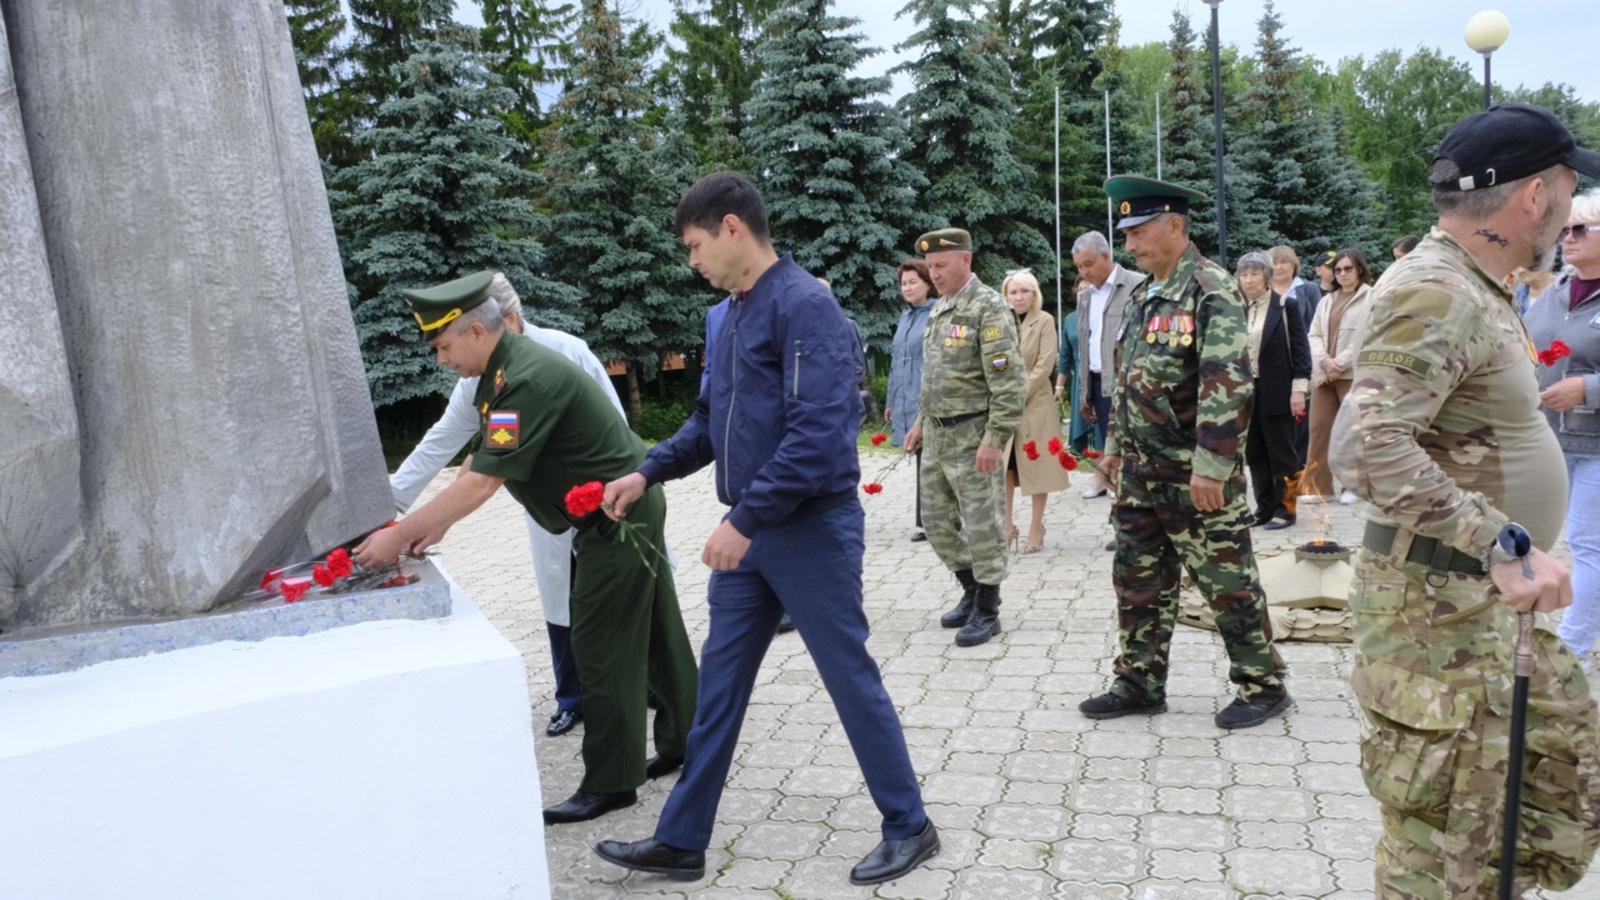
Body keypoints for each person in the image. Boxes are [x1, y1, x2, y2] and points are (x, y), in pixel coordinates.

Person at [593, 172, 938, 887]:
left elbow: (819, 438)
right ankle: (683, 840)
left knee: (848, 677)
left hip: (808, 528)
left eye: (693, 244)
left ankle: (910, 825)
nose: (690, 260)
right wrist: (646, 472)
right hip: (750, 533)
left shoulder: (806, 306)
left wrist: (744, 520)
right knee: (719, 685)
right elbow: (706, 422)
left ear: (731, 228)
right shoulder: (726, 315)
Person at [1330, 103, 1600, 897]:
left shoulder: (1475, 284)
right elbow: (1365, 447)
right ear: (1533, 196)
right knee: (1442, 855)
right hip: (1438, 619)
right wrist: (1500, 542)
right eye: (1566, 184)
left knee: (1490, 839)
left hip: (1465, 611)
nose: (1567, 205)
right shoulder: (1437, 289)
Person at [351, 271, 698, 827]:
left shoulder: (524, 377)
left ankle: (612, 782)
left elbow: (484, 482)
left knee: (600, 644)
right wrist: (433, 525)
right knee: (657, 627)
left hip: (616, 516)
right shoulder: (502, 373)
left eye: (443, 346)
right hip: (619, 508)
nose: (441, 360)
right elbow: (483, 457)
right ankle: (687, 743)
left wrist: (398, 533)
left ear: (475, 331)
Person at [1077, 175, 1290, 731]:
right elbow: (1129, 381)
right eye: (1125, 234)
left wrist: (1213, 466)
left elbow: (1229, 382)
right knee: (1138, 578)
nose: (1130, 244)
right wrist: (1117, 451)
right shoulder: (1147, 293)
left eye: (1139, 231)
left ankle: (1262, 685)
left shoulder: (1210, 288)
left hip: (1194, 474)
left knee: (1227, 582)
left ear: (1175, 225)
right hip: (1142, 474)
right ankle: (1139, 682)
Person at [389, 273, 624, 739]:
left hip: (605, 500)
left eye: (445, 346)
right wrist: (393, 502)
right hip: (549, 507)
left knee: (621, 593)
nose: (444, 359)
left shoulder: (563, 350)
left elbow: (613, 423)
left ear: (504, 321)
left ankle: (644, 685)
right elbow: (448, 444)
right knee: (561, 597)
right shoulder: (477, 377)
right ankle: (572, 695)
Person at [902, 228, 1025, 647]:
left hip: (974, 435)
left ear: (965, 261)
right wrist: (919, 422)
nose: (933, 274)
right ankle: (970, 590)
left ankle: (988, 609)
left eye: (940, 265)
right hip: (936, 437)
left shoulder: (988, 307)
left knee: (982, 526)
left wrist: (995, 439)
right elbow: (932, 376)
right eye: (930, 267)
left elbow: (1009, 384)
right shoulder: (941, 309)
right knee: (935, 524)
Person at [1527, 188, 1600, 660]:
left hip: (1596, 446)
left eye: (1580, 229)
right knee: (1532, 540)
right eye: (1565, 229)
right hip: (1548, 441)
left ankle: (1571, 651)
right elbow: (1551, 348)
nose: (1568, 238)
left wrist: (1589, 389)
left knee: (1587, 546)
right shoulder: (1556, 291)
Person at [1236, 251, 1310, 530]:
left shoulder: (1285, 305)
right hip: (1246, 392)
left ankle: (1286, 508)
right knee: (1255, 453)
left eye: (1254, 273)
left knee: (1282, 453)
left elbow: (1301, 353)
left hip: (1278, 388)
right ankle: (1265, 507)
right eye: (1244, 274)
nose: (1249, 279)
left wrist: (1298, 391)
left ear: (1266, 276)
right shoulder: (1237, 308)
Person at [1072, 230, 1147, 498]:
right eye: (1079, 267)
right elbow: (1085, 345)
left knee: (1134, 453)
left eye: (1088, 264)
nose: (1084, 272)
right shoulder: (1086, 296)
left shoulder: (1137, 284)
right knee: (1111, 452)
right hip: (1097, 383)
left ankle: (1135, 506)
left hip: (1128, 385)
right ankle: (1123, 509)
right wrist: (1085, 393)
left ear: (1106, 256)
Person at [1000, 269, 1069, 553]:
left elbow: (1045, 365)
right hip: (1004, 405)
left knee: (1036, 466)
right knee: (1005, 467)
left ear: (1034, 294)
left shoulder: (1044, 321)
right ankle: (1006, 525)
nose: (1018, 297)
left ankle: (1035, 525)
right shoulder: (999, 322)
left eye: (1023, 291)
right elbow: (994, 361)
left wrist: (1019, 392)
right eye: (1013, 292)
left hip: (1035, 404)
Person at [1306, 247, 1373, 503]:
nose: (1342, 274)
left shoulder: (1371, 297)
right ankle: (1318, 488)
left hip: (1352, 374)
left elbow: (1367, 336)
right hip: (1325, 376)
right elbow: (1313, 335)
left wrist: (1340, 362)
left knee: (1352, 433)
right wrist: (1325, 362)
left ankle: (1354, 487)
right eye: (1338, 270)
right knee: (1319, 430)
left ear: (1359, 270)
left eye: (1348, 269)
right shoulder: (1327, 300)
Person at [886, 259, 936, 542]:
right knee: (922, 458)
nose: (907, 287)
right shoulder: (905, 316)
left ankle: (930, 521)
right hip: (904, 397)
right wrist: (891, 399)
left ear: (927, 283)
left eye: (913, 281)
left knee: (929, 458)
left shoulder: (936, 313)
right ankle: (925, 520)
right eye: (903, 283)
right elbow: (897, 361)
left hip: (926, 398)